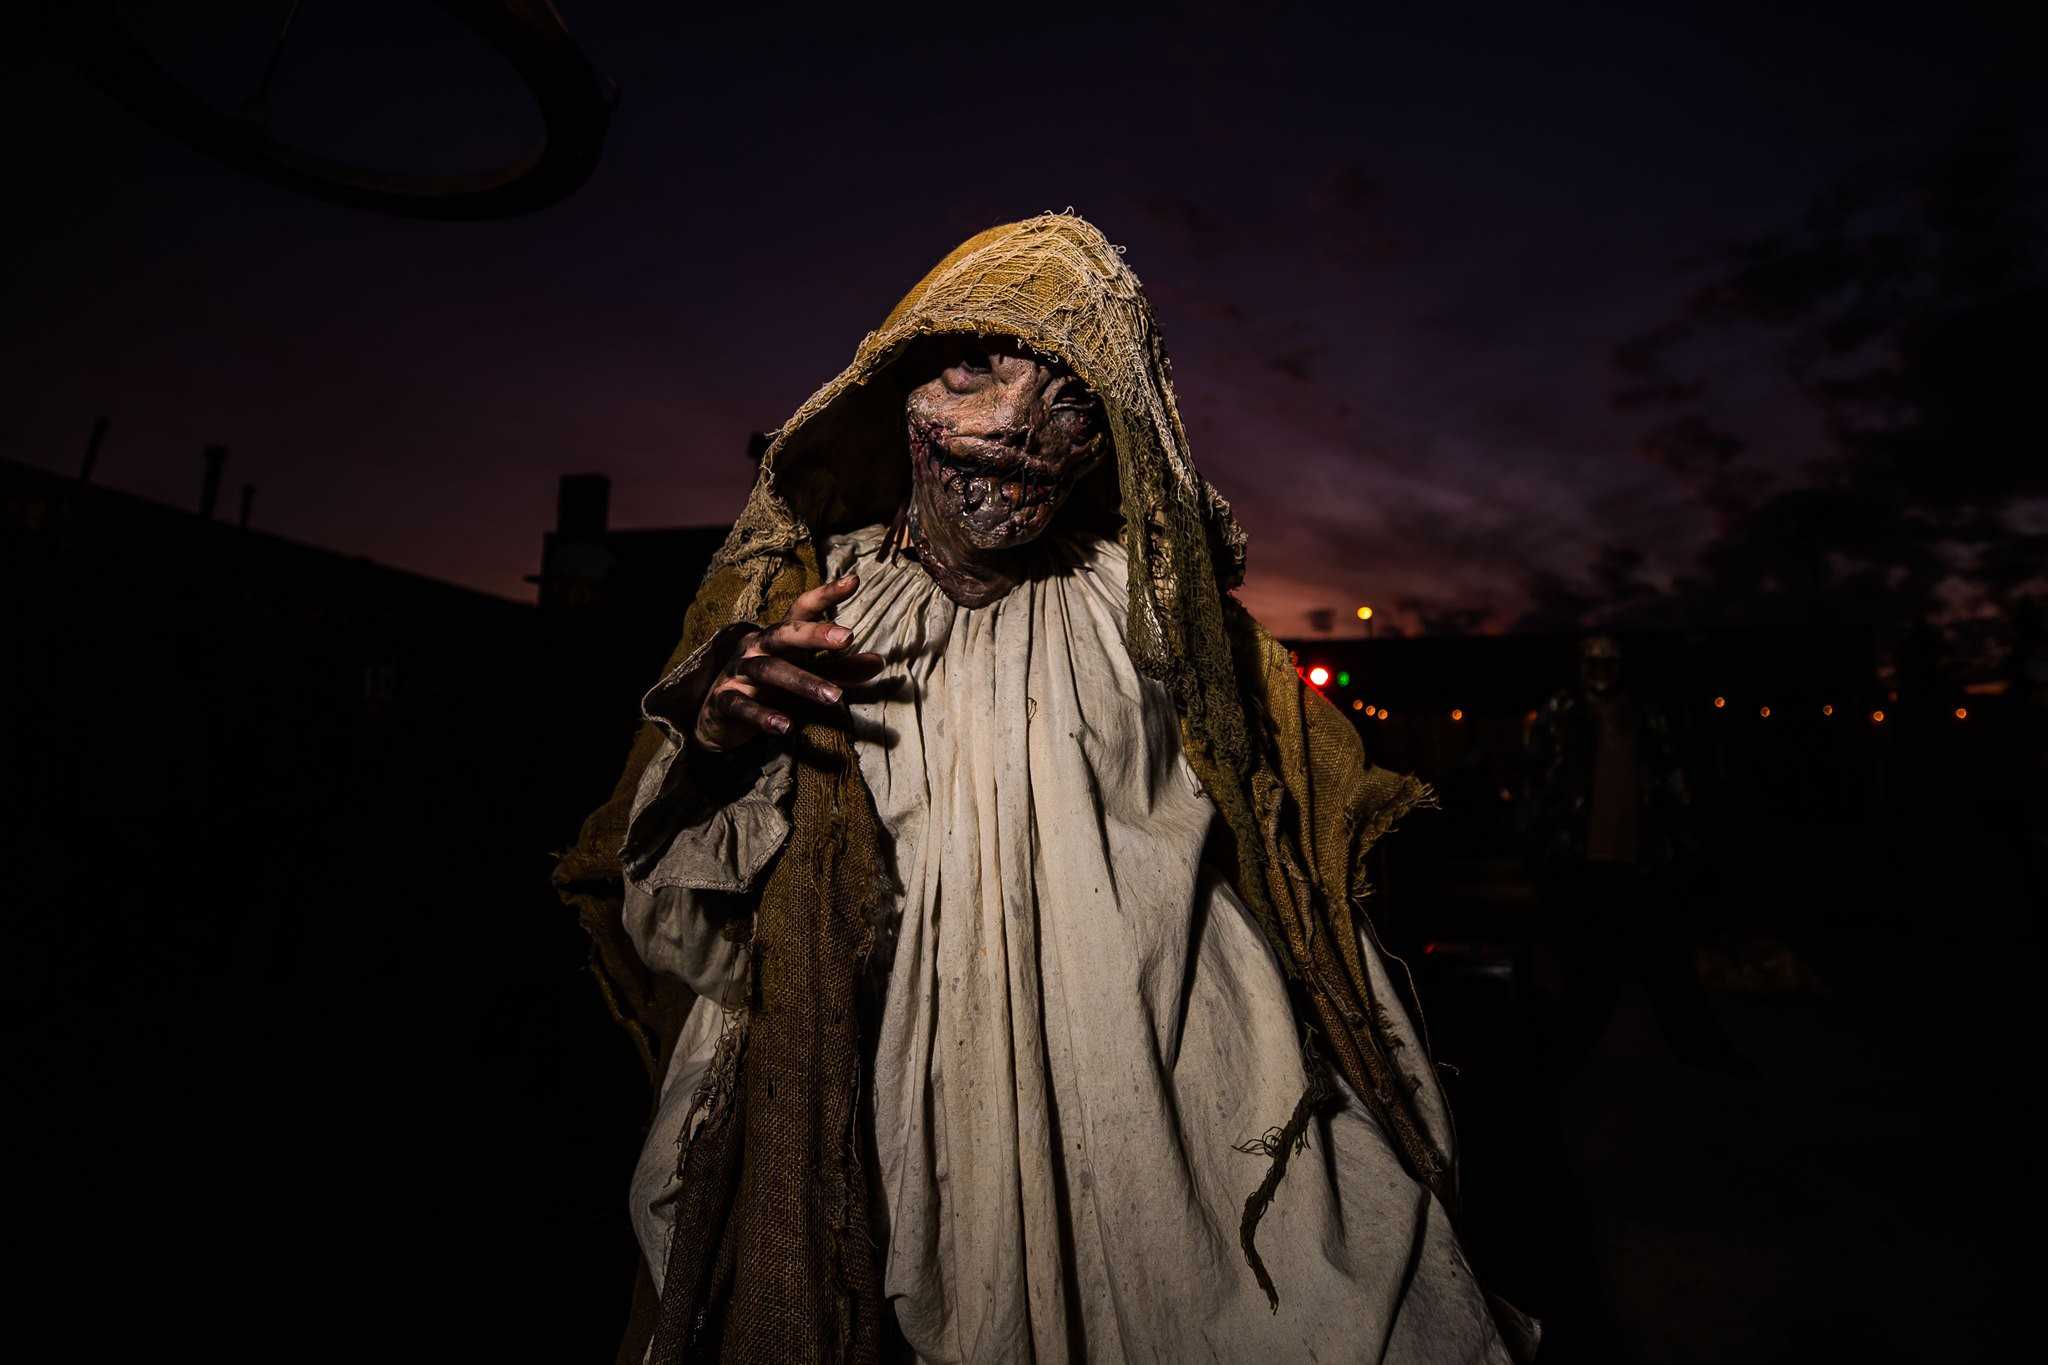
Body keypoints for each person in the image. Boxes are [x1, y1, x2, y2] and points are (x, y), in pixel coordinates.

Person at [554, 213, 1536, 1363]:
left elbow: (1286, 842)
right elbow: (697, 943)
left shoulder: (1151, 613)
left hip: (1175, 1120)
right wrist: (723, 744)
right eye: (976, 368)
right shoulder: (811, 611)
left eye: (1070, 397)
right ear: (901, 392)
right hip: (907, 1121)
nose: (1019, 423)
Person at [1522, 635, 1740, 1077]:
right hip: (1581, 866)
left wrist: (1681, 843)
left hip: (1642, 864)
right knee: (1588, 974)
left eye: (1609, 661)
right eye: (1592, 661)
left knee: (1668, 971)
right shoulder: (1559, 714)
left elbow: (1672, 781)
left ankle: (1707, 1061)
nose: (1601, 670)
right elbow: (1536, 784)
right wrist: (1542, 851)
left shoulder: (1644, 715)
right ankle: (1557, 1069)